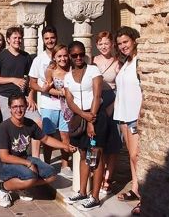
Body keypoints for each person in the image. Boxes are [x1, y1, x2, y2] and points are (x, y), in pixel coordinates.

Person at [0, 93, 77, 207]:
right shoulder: (4, 127)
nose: (18, 110)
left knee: (51, 174)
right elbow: (4, 157)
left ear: (26, 107)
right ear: (10, 109)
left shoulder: (30, 124)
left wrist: (65, 146)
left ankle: (20, 185)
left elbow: (45, 139)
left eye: (21, 106)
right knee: (31, 177)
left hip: (22, 158)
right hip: (2, 164)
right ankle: (2, 188)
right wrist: (28, 163)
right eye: (15, 107)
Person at [63, 41, 105, 211]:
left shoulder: (94, 70)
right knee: (82, 154)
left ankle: (95, 197)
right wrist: (82, 115)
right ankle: (82, 191)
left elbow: (97, 95)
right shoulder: (67, 76)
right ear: (70, 56)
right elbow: (69, 100)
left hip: (95, 116)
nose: (79, 57)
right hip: (79, 117)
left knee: (96, 156)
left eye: (81, 54)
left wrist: (90, 121)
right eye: (75, 55)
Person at [0, 26, 42, 157]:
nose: (18, 40)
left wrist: (31, 97)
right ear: (8, 39)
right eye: (15, 38)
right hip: (6, 97)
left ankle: (35, 158)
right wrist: (13, 80)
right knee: (12, 128)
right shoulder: (1, 57)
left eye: (20, 38)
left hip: (23, 97)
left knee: (38, 121)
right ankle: (12, 157)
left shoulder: (26, 57)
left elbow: (30, 79)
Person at [30, 33, 72, 178]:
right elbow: (46, 87)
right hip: (50, 106)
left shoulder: (71, 69)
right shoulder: (50, 69)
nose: (62, 59)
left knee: (65, 135)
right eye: (59, 56)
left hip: (67, 108)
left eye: (64, 56)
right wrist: (61, 93)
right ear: (54, 57)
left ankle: (65, 164)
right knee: (48, 136)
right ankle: (47, 163)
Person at [114, 26, 142, 209]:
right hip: (123, 115)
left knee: (136, 155)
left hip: (135, 116)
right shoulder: (126, 63)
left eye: (126, 42)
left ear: (133, 40)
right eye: (120, 44)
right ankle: (135, 188)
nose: (123, 46)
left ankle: (143, 196)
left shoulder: (140, 62)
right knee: (132, 156)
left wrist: (141, 115)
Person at [92, 31, 122, 194]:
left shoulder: (118, 62)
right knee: (99, 141)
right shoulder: (93, 61)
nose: (104, 46)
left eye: (106, 43)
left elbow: (121, 86)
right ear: (97, 45)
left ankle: (108, 178)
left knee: (113, 142)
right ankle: (99, 173)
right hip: (97, 101)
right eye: (100, 43)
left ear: (112, 44)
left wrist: (112, 106)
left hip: (113, 101)